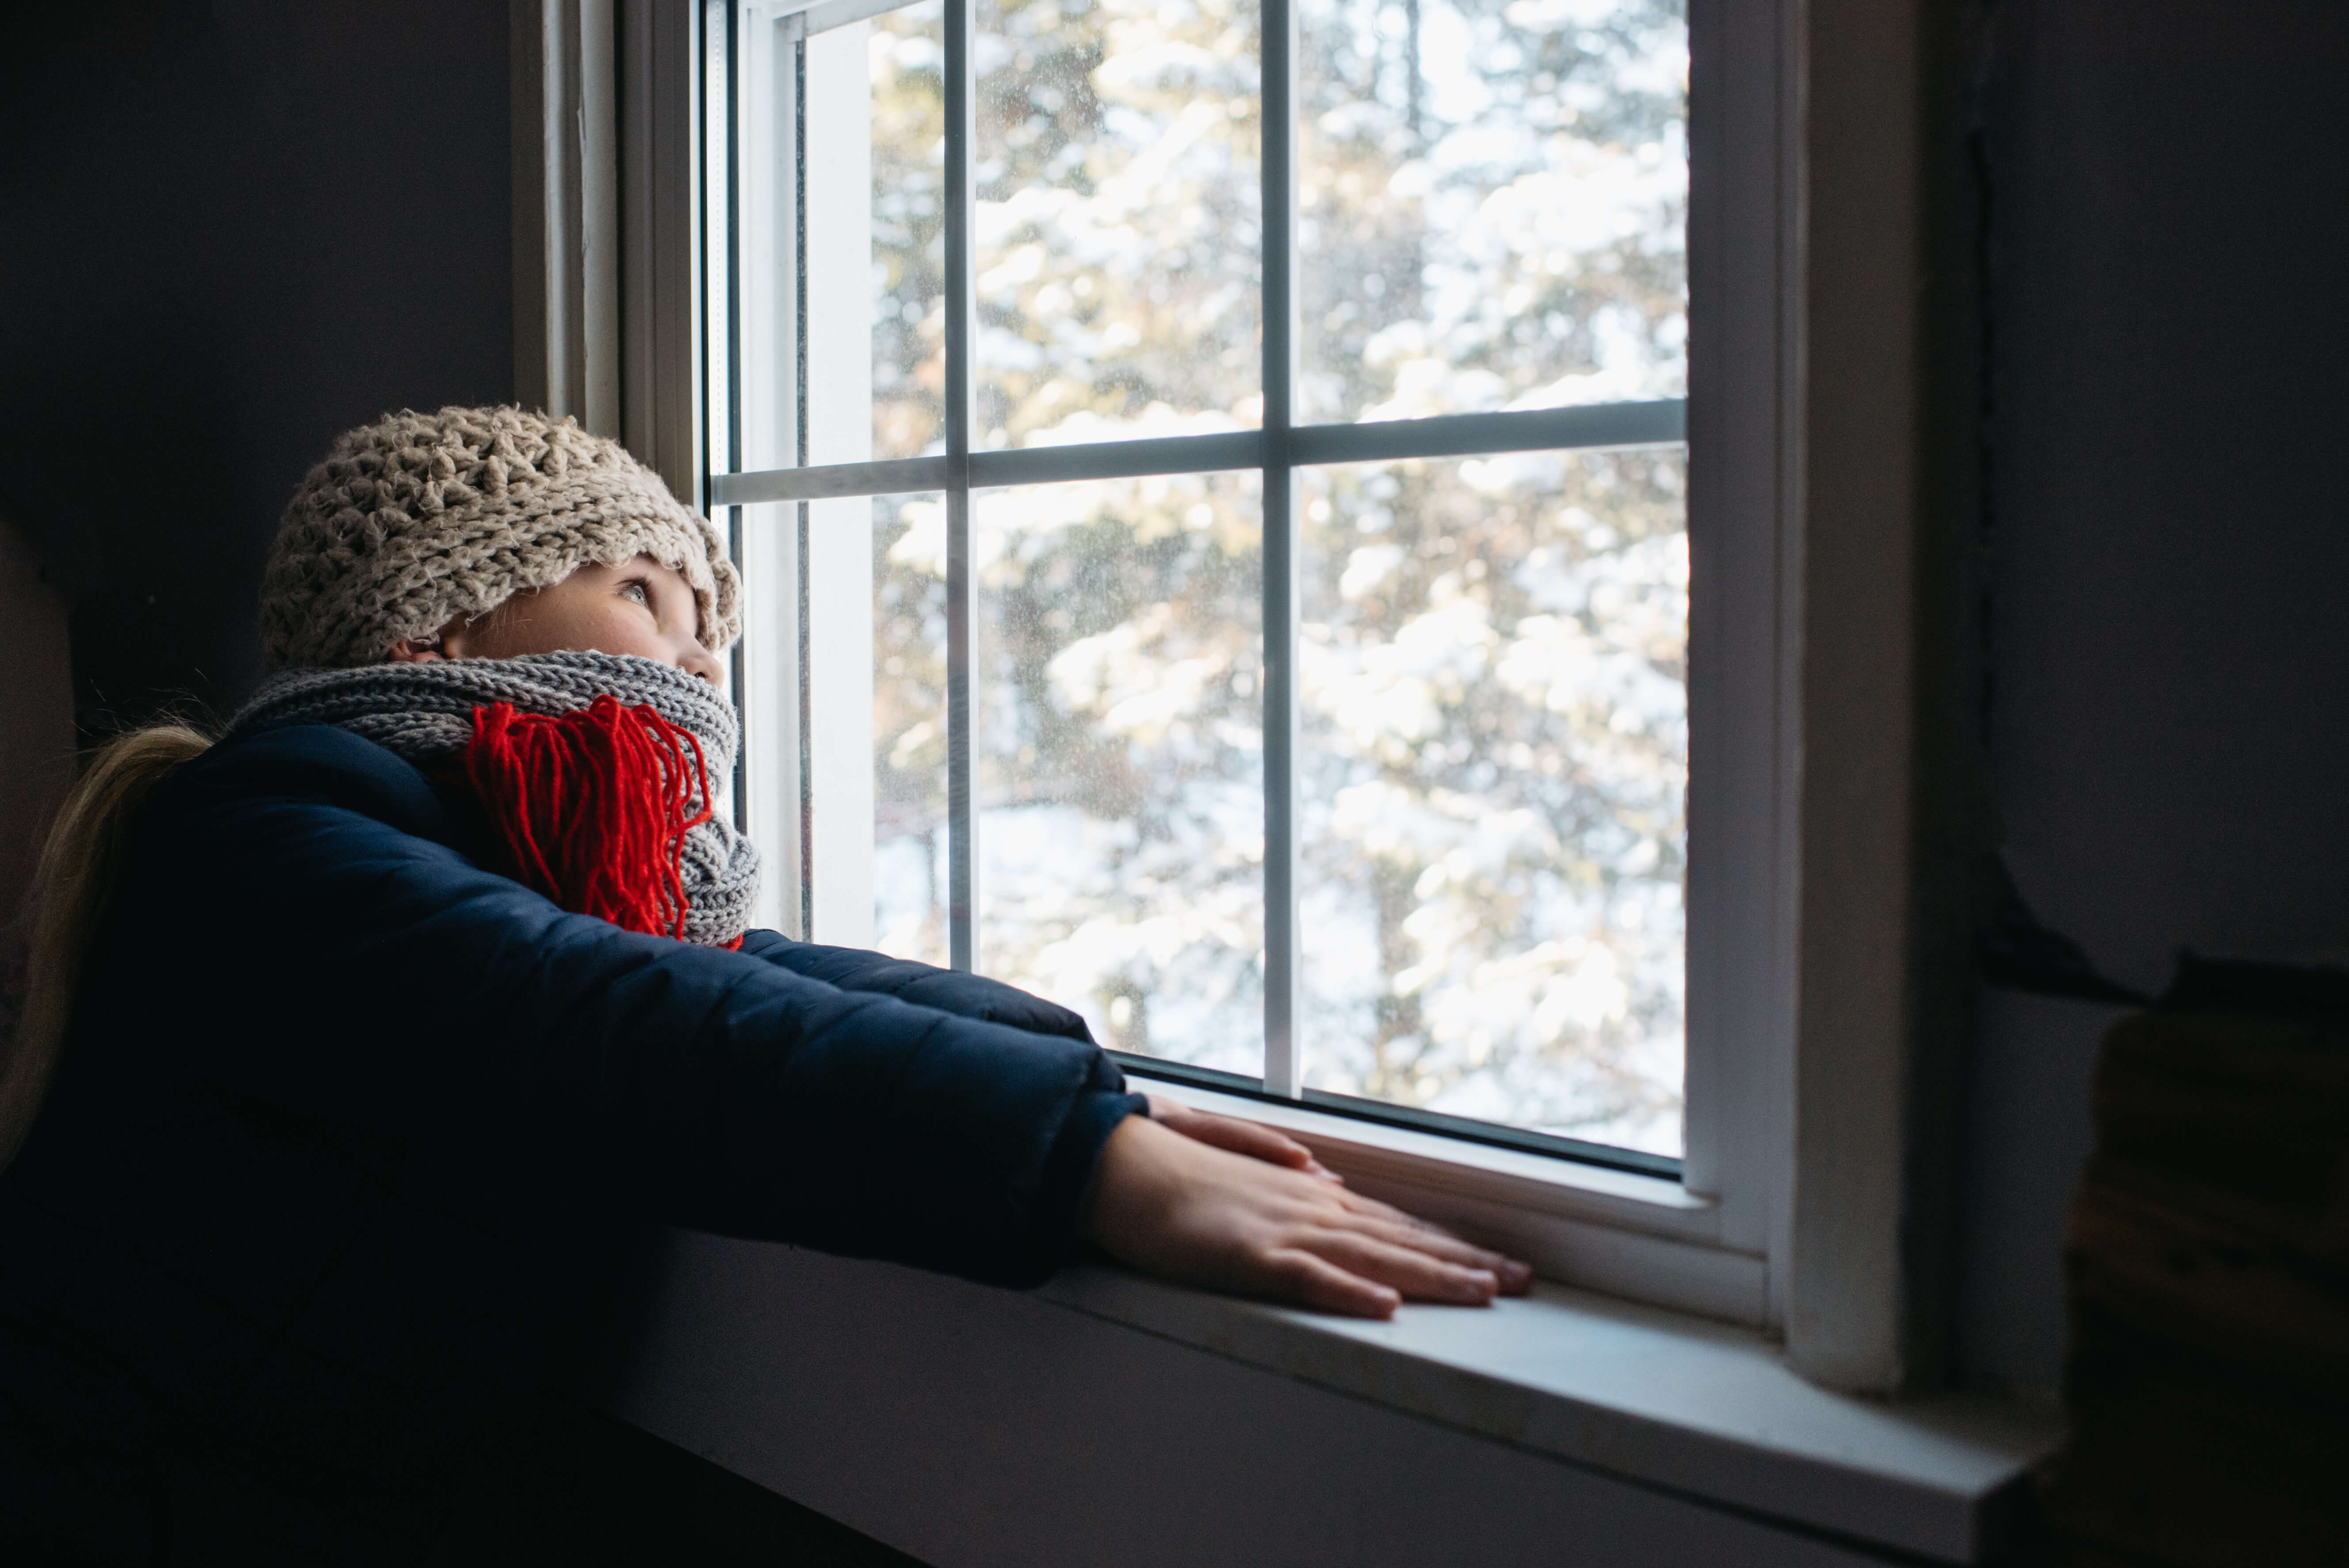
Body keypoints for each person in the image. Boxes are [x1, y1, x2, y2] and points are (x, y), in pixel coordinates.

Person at [0, 406, 1526, 1560]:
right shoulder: (269, 843)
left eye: (713, 623)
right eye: (647, 594)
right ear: (450, 620)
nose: (704, 661)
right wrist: (1077, 1159)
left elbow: (747, 972)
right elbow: (610, 1021)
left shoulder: (517, 872)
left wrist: (1106, 1095)